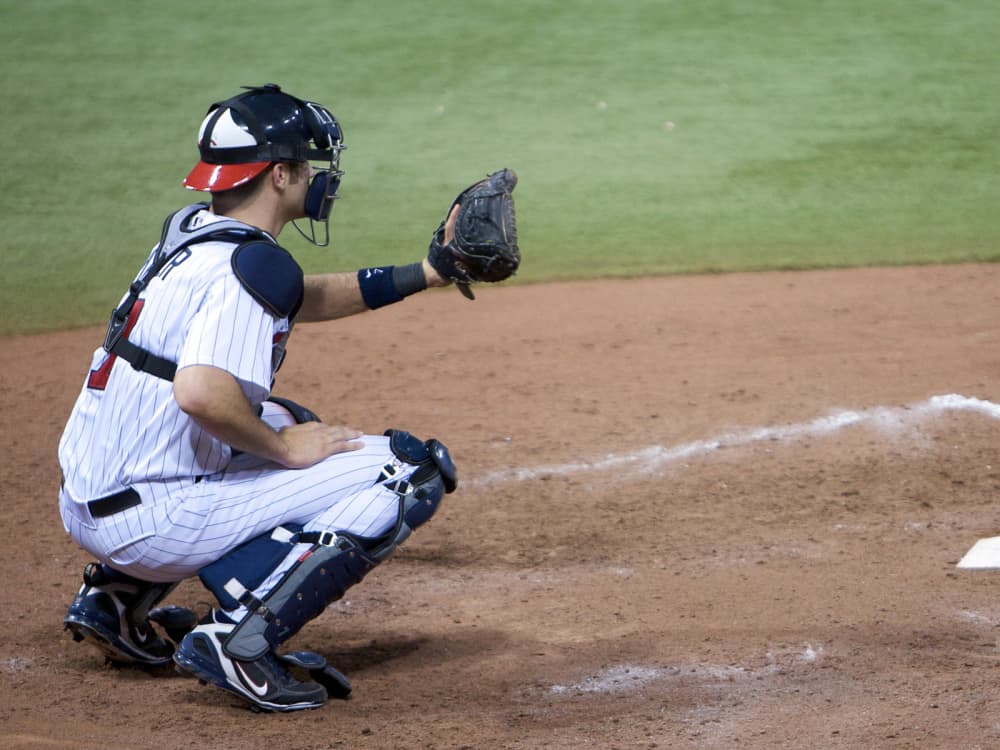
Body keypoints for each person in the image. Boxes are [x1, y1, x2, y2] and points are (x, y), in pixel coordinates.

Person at [57, 83, 460, 712]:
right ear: (280, 175)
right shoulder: (248, 268)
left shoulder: (192, 232)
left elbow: (297, 295)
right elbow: (199, 393)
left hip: (90, 493)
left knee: (290, 417)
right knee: (408, 471)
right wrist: (280, 450)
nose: (322, 177)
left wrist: (427, 273)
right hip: (153, 520)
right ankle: (242, 641)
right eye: (310, 165)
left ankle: (115, 601)